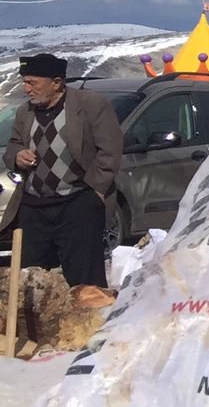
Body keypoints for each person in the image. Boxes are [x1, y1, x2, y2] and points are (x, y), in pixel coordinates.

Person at [7, 53, 123, 288]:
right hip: (34, 207)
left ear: (56, 83)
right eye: (25, 82)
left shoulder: (89, 105)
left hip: (77, 203)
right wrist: (17, 155)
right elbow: (13, 145)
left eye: (32, 83)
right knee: (31, 280)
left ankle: (88, 312)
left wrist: (96, 190)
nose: (26, 89)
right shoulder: (25, 112)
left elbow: (110, 148)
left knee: (84, 278)